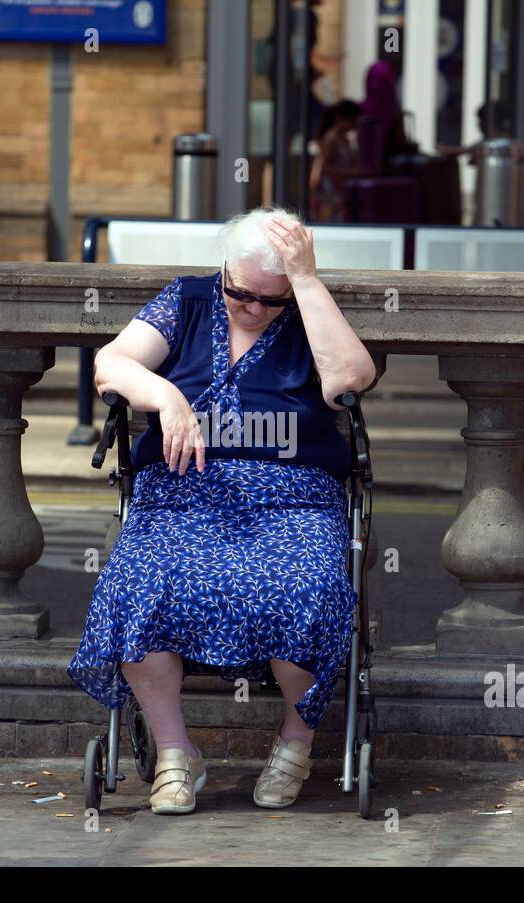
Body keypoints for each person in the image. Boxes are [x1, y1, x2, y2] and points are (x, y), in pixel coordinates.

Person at [68, 207, 378, 816]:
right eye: (241, 293)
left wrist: (307, 283)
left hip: (292, 499)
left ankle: (296, 742)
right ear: (224, 271)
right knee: (139, 586)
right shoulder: (186, 301)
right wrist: (166, 396)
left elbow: (349, 380)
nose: (254, 308)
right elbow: (110, 364)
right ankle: (176, 755)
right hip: (182, 493)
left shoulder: (306, 311)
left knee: (306, 589)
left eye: (272, 299)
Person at [309, 99, 361, 222]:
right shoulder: (331, 138)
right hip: (328, 196)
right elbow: (324, 168)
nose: (354, 125)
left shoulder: (344, 139)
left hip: (337, 196)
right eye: (352, 121)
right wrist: (352, 173)